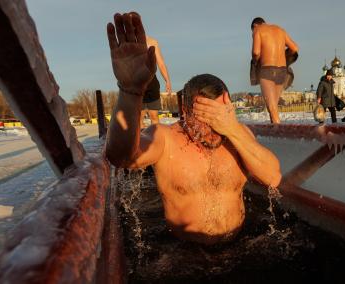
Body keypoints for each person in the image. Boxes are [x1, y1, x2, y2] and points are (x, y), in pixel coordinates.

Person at [105, 12, 282, 245]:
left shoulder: (237, 134)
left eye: (218, 115)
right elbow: (120, 157)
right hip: (184, 257)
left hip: (239, 249)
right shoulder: (166, 138)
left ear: (228, 107)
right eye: (203, 116)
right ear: (185, 112)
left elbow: (273, 178)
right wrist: (130, 91)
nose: (212, 127)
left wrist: (232, 129)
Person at [251, 17, 299, 124]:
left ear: (255, 26)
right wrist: (285, 56)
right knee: (274, 106)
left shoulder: (257, 30)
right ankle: (276, 129)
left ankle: (279, 132)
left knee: (272, 108)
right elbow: (295, 48)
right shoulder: (280, 30)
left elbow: (256, 52)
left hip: (267, 70)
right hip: (282, 71)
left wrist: (255, 61)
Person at [139, 35, 172, 129]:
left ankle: (156, 139)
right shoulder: (129, 41)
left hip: (152, 84)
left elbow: (160, 63)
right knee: (139, 117)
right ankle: (141, 141)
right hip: (137, 85)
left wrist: (167, 80)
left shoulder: (152, 42)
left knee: (154, 116)